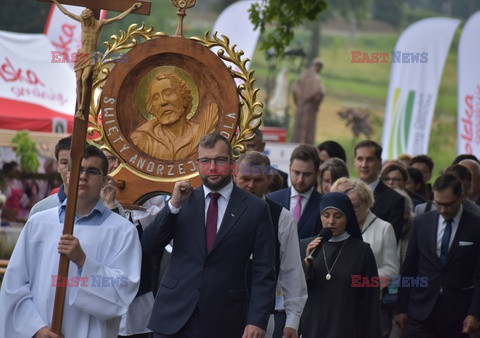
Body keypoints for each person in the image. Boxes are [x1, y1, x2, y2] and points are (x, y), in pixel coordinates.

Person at [141, 133, 276, 337]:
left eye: (219, 160)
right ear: (198, 164)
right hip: (173, 318)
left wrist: (257, 320)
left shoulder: (255, 208)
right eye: (205, 161)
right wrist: (173, 206)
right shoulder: (182, 200)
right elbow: (149, 246)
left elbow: (264, 270)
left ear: (232, 163)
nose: (212, 167)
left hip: (225, 319)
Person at [0, 145, 142, 337]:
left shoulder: (122, 231)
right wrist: (36, 329)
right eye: (78, 170)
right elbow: (14, 285)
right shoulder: (39, 223)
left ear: (104, 179)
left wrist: (83, 261)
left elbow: (122, 292)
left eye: (92, 171)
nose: (83, 176)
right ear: (68, 174)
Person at [395, 174, 480, 337]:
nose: (442, 210)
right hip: (420, 309)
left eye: (448, 205)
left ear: (461, 197)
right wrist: (401, 307)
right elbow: (409, 267)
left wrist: (475, 313)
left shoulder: (476, 226)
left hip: (458, 312)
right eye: (438, 203)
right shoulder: (422, 222)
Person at [234, 151, 307, 338]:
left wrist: (292, 321)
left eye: (258, 180)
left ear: (268, 179)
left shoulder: (282, 218)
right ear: (234, 175)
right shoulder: (217, 210)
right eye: (245, 178)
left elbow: (291, 270)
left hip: (261, 317)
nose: (250, 185)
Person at [299, 192, 381, 337]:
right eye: (326, 215)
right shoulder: (305, 246)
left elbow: (370, 299)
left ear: (347, 217)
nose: (331, 221)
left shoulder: (362, 251)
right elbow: (293, 291)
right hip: (311, 327)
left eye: (338, 216)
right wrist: (307, 263)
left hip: (346, 328)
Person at [331, 178, 399, 337]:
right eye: (345, 206)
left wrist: (360, 281)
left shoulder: (384, 228)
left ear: (366, 202)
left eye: (354, 206)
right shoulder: (335, 227)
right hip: (337, 303)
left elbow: (392, 270)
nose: (350, 211)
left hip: (370, 302)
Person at [51, 0, 141, 118]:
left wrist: (132, 8)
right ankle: (79, 106)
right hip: (81, 55)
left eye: (87, 19)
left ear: (91, 17)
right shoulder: (83, 22)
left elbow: (117, 18)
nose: (85, 21)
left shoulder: (99, 24)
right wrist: (55, 2)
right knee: (78, 80)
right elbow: (66, 12)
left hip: (91, 56)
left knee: (84, 79)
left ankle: (82, 107)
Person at [130, 73, 218, 160]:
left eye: (168, 93)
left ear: (183, 97)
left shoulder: (201, 134)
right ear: (151, 107)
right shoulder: (142, 139)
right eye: (156, 98)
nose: (162, 102)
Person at [353, 140, 405, 242]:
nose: (364, 164)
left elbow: (392, 239)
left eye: (370, 159)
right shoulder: (344, 195)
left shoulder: (394, 200)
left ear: (379, 162)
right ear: (354, 161)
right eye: (360, 159)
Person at [268, 144, 322, 239]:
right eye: (296, 172)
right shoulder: (271, 200)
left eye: (307, 174)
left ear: (317, 173)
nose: (300, 179)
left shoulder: (324, 204)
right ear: (289, 168)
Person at [29, 135, 71, 217]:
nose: (70, 168)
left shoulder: (100, 207)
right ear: (57, 166)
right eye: (64, 163)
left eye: (76, 162)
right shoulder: (40, 210)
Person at [291, 58, 325, 144]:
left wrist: (298, 101)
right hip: (309, 108)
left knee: (299, 128)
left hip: (301, 106)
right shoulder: (317, 78)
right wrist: (315, 103)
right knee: (307, 129)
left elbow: (295, 89)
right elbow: (320, 92)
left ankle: (297, 143)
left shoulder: (302, 75)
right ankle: (304, 145)